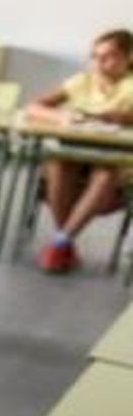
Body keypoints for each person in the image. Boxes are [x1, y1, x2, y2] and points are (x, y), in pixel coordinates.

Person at [25, 28, 133, 274]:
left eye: (109, 56)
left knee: (106, 172)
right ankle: (64, 242)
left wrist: (123, 118)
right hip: (76, 150)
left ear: (129, 57)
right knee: (57, 163)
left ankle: (61, 242)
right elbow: (34, 107)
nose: (99, 63)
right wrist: (61, 117)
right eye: (95, 56)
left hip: (118, 159)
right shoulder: (82, 80)